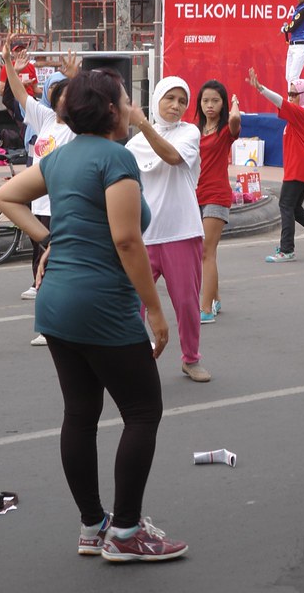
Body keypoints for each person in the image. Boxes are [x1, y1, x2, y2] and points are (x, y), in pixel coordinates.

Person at [0, 69, 188, 562]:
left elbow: (5, 196)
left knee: (80, 414)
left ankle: (92, 526)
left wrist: (49, 239)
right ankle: (124, 533)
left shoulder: (61, 157)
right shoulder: (116, 158)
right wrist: (157, 312)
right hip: (103, 304)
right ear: (109, 110)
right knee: (143, 412)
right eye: (126, 100)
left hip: (56, 303)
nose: (130, 107)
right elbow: (127, 240)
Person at [126, 76, 208, 382]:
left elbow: (172, 157)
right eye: (169, 98)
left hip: (181, 232)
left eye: (182, 100)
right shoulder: (133, 144)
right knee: (133, 302)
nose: (176, 106)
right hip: (143, 235)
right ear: (157, 99)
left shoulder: (189, 133)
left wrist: (143, 124)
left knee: (186, 303)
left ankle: (191, 358)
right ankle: (134, 357)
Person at [0, 35, 79, 324]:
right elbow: (21, 95)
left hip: (63, 208)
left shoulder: (78, 127)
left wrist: (75, 79)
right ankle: (50, 320)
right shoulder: (45, 118)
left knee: (57, 266)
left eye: (71, 95)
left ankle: (56, 322)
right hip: (40, 207)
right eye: (60, 94)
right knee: (42, 263)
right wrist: (8, 63)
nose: (64, 100)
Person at [247, 67, 304, 262]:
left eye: (294, 94)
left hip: (299, 169)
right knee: (294, 208)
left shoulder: (301, 113)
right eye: (290, 93)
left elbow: (279, 100)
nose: (290, 97)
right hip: (303, 167)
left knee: (285, 204)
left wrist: (261, 88)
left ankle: (287, 250)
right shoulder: (302, 114)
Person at [195, 79, 241, 323]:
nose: (210, 105)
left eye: (215, 100)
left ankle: (205, 309)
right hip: (196, 195)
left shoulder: (225, 132)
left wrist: (234, 103)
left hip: (217, 195)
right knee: (203, 252)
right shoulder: (195, 130)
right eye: (205, 101)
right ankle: (215, 297)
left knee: (206, 251)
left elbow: (234, 121)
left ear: (222, 103)